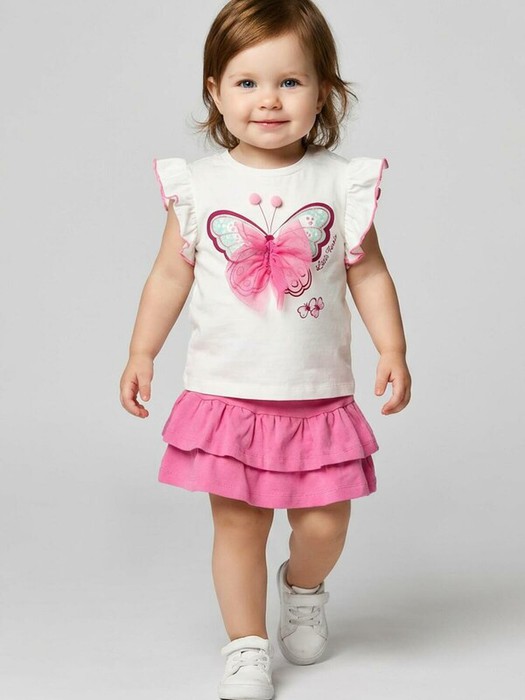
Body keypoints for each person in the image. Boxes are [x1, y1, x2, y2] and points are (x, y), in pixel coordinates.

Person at [119, 0, 411, 697]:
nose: (269, 100)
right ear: (215, 92)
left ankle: (302, 589)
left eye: (290, 81)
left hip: (315, 394)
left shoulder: (340, 183)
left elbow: (368, 272)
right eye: (247, 82)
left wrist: (392, 347)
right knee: (238, 527)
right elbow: (168, 277)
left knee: (324, 523)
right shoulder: (198, 186)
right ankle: (246, 646)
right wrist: (141, 353)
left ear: (323, 91)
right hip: (227, 394)